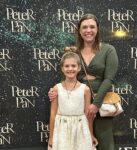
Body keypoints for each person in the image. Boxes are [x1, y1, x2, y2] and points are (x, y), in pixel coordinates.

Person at [49, 14, 118, 150]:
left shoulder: (108, 50)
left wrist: (96, 104)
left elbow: (109, 79)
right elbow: (68, 75)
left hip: (101, 105)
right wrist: (54, 91)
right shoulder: (74, 51)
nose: (88, 30)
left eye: (92, 27)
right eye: (84, 27)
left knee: (105, 144)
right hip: (77, 106)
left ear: (97, 29)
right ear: (79, 31)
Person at [48, 51, 98, 150]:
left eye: (73, 66)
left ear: (79, 67)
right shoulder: (56, 88)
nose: (70, 69)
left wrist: (91, 134)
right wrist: (51, 137)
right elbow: (53, 114)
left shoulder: (85, 89)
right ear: (62, 68)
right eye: (67, 66)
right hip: (62, 130)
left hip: (80, 129)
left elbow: (88, 115)